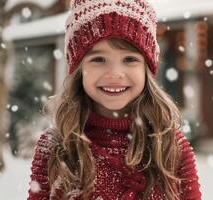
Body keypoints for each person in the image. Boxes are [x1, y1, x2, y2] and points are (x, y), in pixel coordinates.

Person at [27, 0, 202, 199]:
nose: (115, 73)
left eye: (129, 59)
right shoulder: (55, 147)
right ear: (79, 69)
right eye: (98, 59)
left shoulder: (171, 146)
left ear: (146, 69)